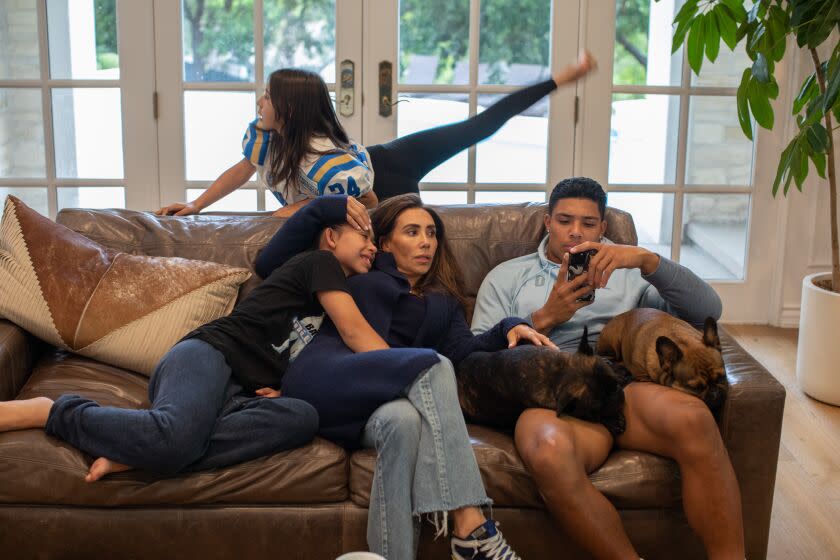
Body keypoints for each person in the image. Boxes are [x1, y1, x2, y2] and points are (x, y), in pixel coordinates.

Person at [0, 197, 386, 483]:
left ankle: (144, 449)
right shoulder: (319, 264)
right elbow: (355, 334)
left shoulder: (344, 293)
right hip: (208, 356)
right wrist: (412, 368)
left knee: (303, 417)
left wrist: (288, 388)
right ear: (331, 237)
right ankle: (50, 411)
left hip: (243, 395)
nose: (373, 247)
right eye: (364, 235)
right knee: (175, 440)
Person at [255, 194, 552, 560]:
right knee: (434, 364)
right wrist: (324, 208)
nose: (426, 241)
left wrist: (514, 324)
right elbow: (272, 265)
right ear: (384, 244)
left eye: (431, 233)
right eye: (412, 232)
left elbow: (463, 351)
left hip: (377, 404)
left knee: (405, 421)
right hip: (328, 377)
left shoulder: (444, 302)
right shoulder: (364, 273)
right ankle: (471, 527)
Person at [470, 177, 745, 559]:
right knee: (547, 450)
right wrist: (545, 317)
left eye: (588, 222)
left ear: (603, 227)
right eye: (565, 220)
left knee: (695, 419)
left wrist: (649, 261)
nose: (575, 232)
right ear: (547, 222)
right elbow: (474, 359)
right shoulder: (508, 277)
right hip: (552, 392)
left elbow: (707, 311)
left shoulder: (630, 270)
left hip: (624, 382)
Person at [155, 51, 596, 218]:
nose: (259, 103)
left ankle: (559, 79)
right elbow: (241, 169)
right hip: (366, 169)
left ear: (286, 109)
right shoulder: (267, 134)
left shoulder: (325, 162)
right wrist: (195, 204)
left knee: (476, 127)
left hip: (389, 172)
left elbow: (365, 205)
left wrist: (295, 213)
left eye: (266, 97)